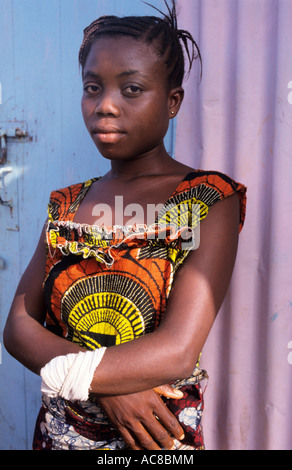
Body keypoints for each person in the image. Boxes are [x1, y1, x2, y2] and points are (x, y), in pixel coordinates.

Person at [4, 0, 246, 451]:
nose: (105, 106)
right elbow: (18, 327)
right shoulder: (68, 204)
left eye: (131, 89)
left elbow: (177, 349)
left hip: (153, 439)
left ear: (173, 101)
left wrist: (80, 374)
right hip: (60, 433)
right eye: (92, 87)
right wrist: (104, 386)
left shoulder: (207, 199)